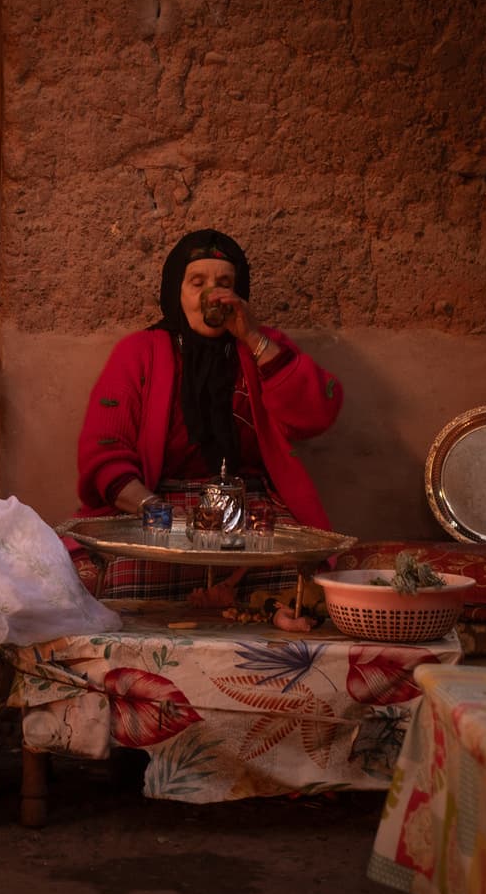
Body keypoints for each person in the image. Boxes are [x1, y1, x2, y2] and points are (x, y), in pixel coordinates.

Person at [73, 228, 343, 612]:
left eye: (225, 284)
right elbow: (104, 453)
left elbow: (316, 415)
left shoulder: (260, 346)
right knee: (131, 578)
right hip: (163, 507)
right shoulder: (139, 353)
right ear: (175, 292)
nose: (212, 295)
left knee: (303, 579)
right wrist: (165, 517)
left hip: (249, 509)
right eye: (197, 282)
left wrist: (252, 337)